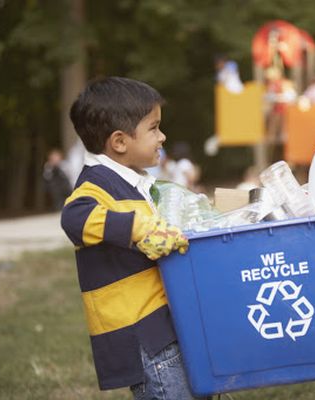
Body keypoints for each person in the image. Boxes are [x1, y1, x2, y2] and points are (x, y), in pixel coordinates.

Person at [60, 77, 200, 399]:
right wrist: (139, 228)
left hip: (163, 325)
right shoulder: (95, 187)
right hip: (144, 336)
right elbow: (74, 218)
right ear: (120, 142)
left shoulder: (138, 183)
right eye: (154, 128)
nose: (162, 136)